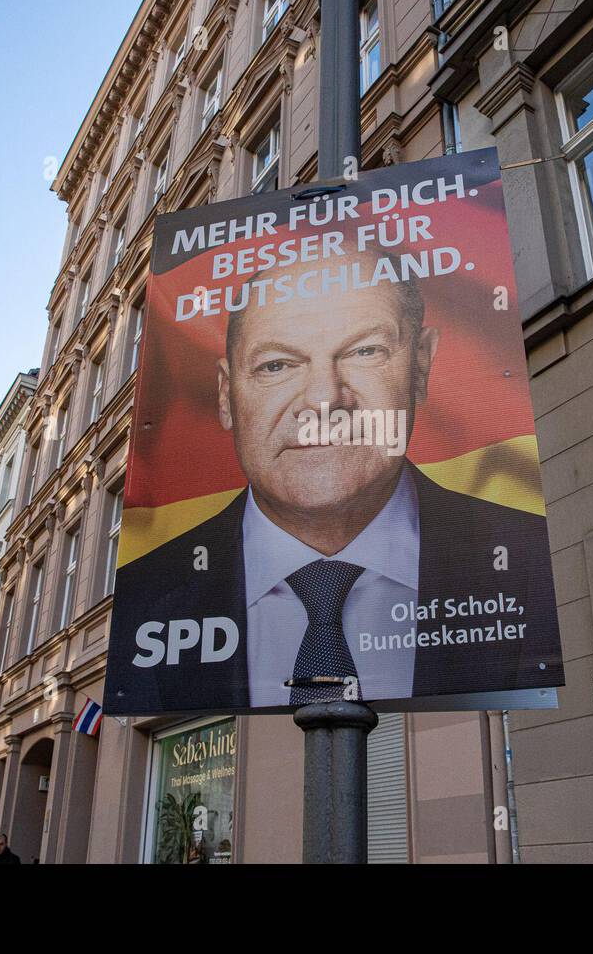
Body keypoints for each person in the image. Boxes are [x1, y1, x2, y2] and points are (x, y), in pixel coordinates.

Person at [108, 247, 561, 712]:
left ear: (421, 366)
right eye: (277, 365)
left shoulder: (528, 562)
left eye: (365, 351)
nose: (324, 399)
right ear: (227, 395)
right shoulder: (144, 599)